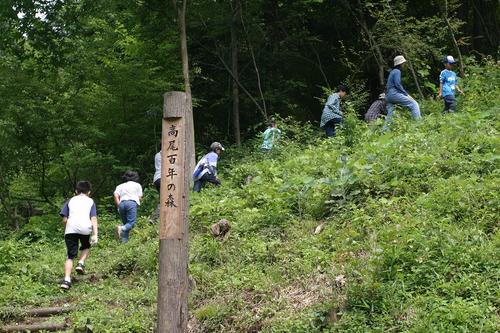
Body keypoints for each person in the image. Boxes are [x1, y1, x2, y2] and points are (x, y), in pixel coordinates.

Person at [59, 181, 98, 289]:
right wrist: (95, 234)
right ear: (89, 192)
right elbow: (93, 218)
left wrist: (68, 228)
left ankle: (66, 280)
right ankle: (80, 263)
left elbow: (64, 219)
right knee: (86, 246)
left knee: (70, 256)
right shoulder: (91, 201)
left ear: (76, 191)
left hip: (70, 229)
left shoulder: (70, 201)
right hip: (85, 228)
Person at [384, 55, 421, 128]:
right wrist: (406, 94)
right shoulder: (397, 71)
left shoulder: (392, 72)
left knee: (390, 114)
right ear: (401, 64)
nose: (404, 65)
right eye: (404, 63)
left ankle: (384, 131)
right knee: (414, 104)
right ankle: (419, 125)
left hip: (388, 96)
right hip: (394, 94)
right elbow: (397, 84)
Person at [114, 171, 143, 243]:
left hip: (122, 204)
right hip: (131, 203)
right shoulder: (137, 185)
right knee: (131, 223)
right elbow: (139, 197)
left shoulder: (120, 186)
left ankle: (124, 242)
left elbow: (115, 195)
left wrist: (118, 205)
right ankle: (121, 228)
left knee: (126, 224)